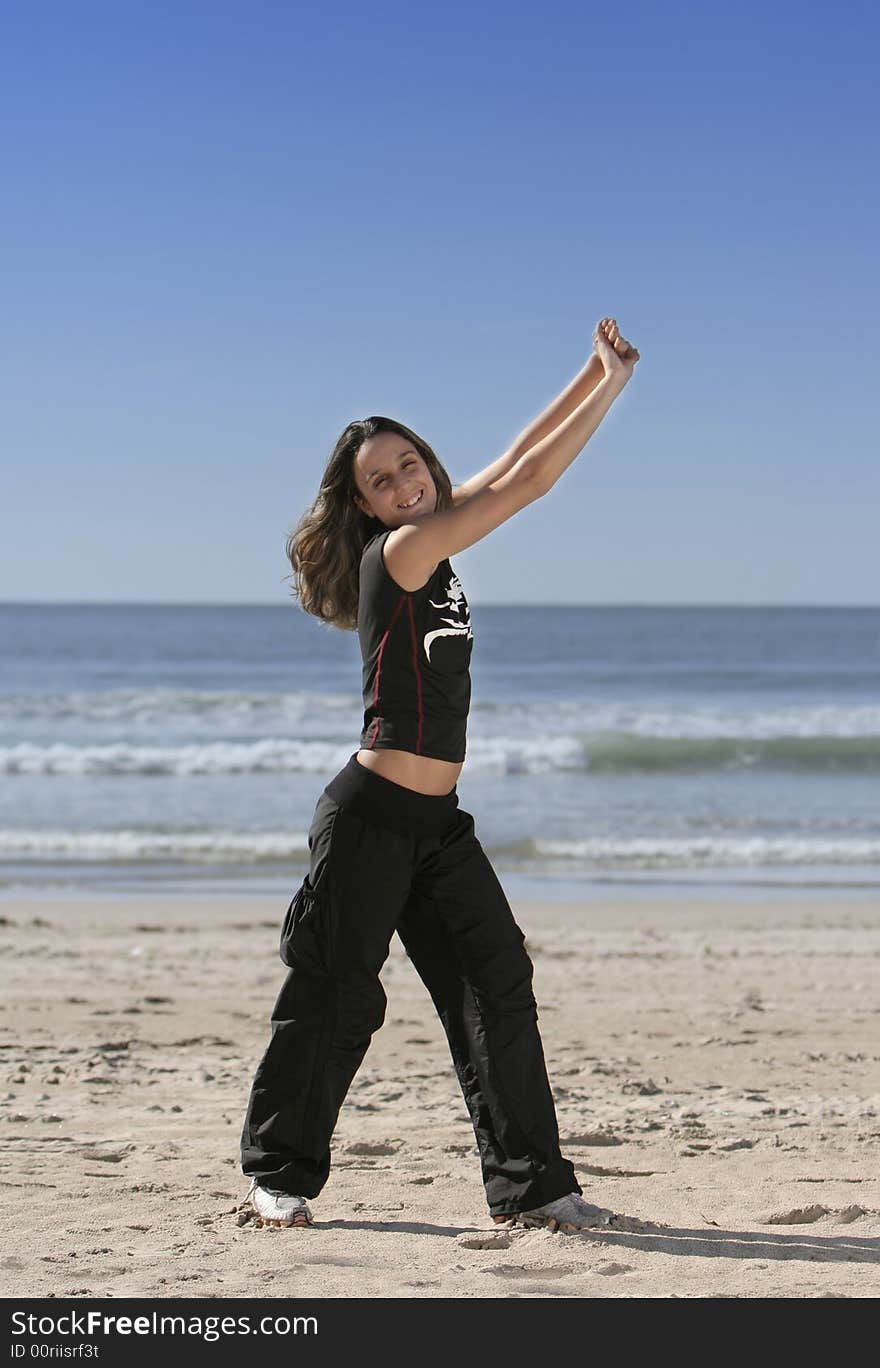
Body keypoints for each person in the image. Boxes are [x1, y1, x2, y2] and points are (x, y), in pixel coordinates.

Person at [240, 316, 640, 1232]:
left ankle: (534, 1187)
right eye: (381, 482)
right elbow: (531, 482)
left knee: (495, 985)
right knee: (337, 994)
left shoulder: (439, 540)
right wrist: (615, 390)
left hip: (437, 825)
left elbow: (508, 463)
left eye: (410, 464)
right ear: (369, 510)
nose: (403, 483)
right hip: (371, 817)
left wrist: (592, 371)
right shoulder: (401, 553)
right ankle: (278, 1175)